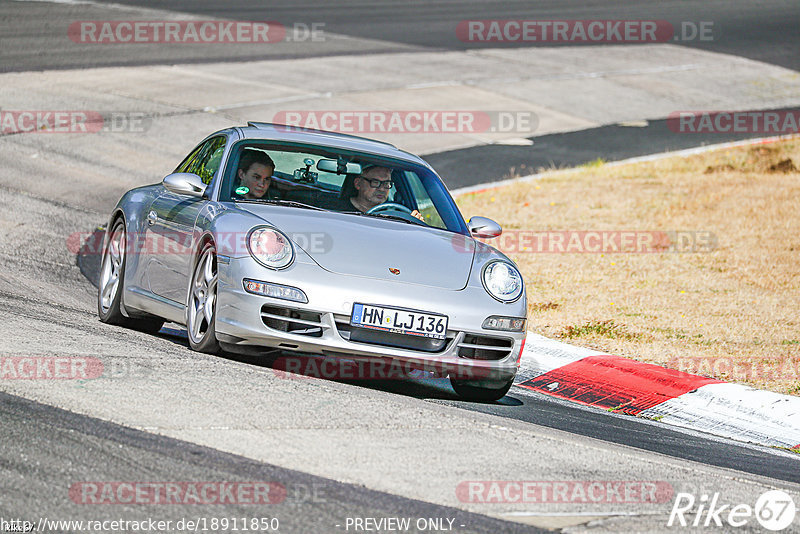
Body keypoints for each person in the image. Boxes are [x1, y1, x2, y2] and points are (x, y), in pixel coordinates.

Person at [337, 165, 424, 220]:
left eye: (386, 183)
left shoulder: (398, 216)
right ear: (358, 183)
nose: (382, 189)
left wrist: (416, 222)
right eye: (375, 182)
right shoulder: (335, 210)